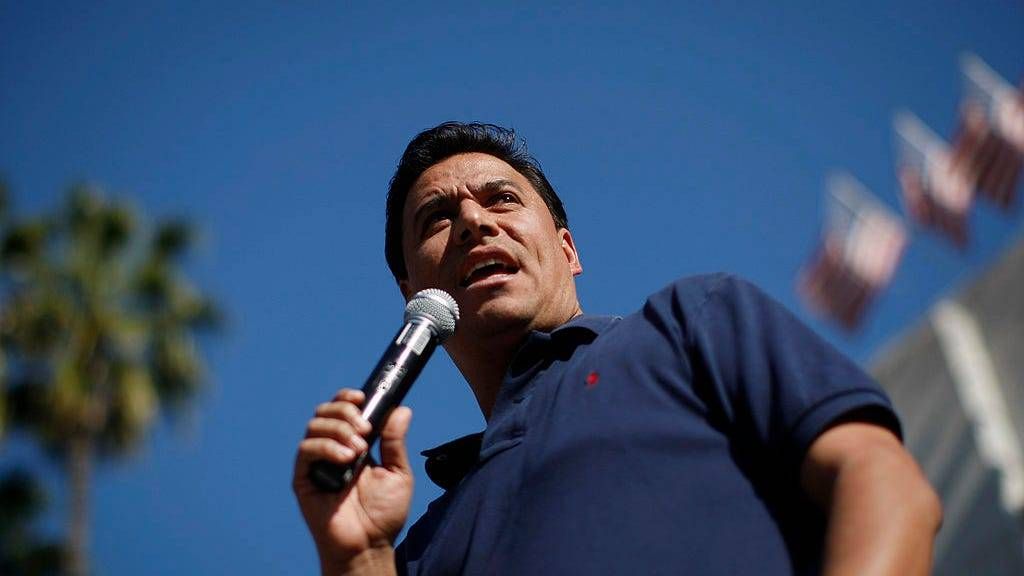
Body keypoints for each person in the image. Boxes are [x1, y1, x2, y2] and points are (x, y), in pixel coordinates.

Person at [293, 122, 942, 575]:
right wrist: (360, 559)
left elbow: (881, 482)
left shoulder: (691, 322)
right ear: (411, 292)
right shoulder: (423, 542)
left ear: (567, 250)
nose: (472, 221)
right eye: (437, 218)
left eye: (502, 199)